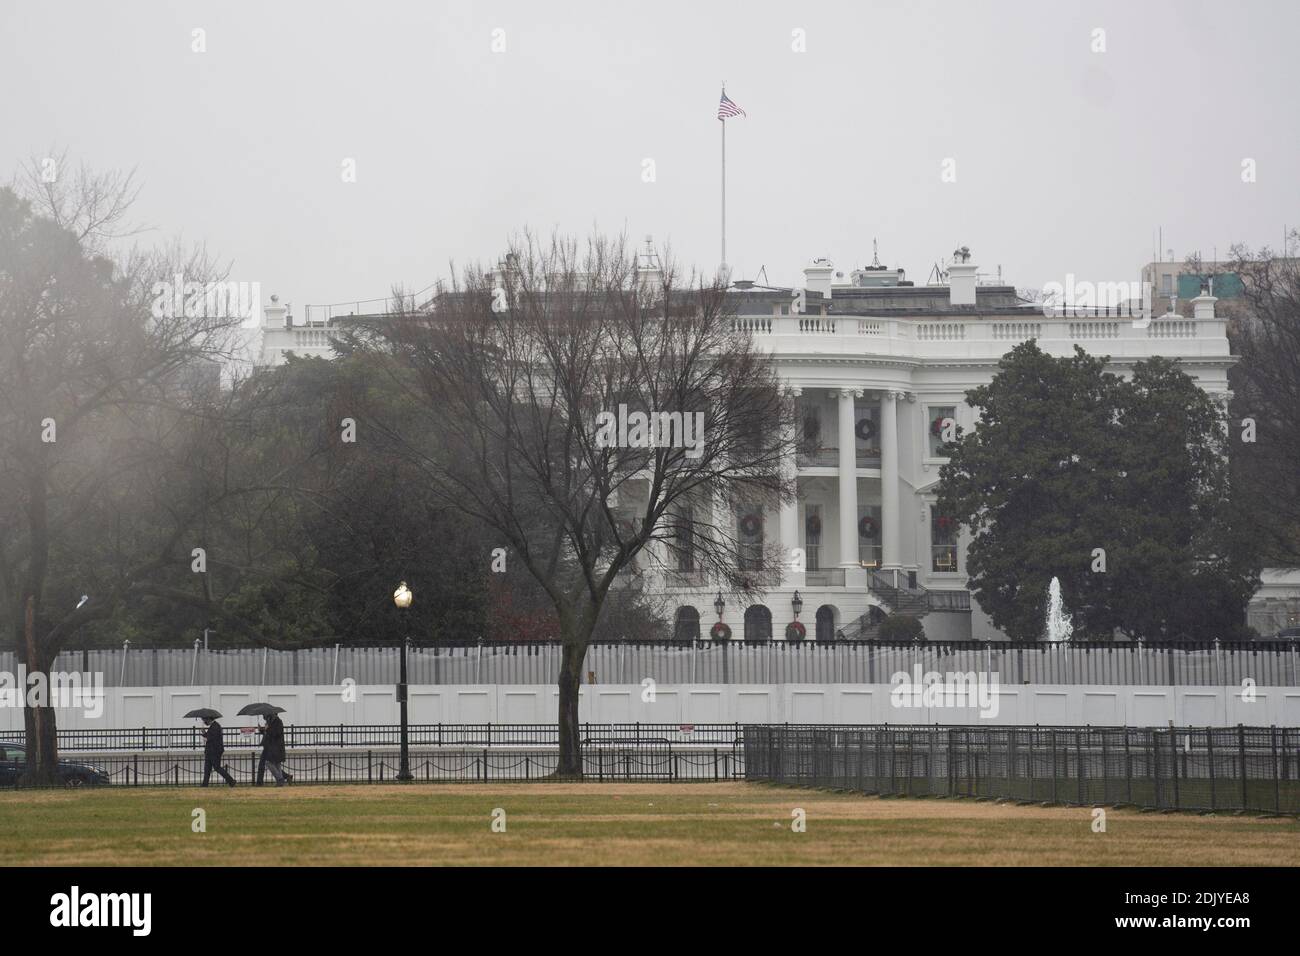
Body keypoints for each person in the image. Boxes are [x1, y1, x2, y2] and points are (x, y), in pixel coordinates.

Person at [255, 711, 292, 786]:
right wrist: (262, 730)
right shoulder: (270, 721)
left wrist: (267, 729)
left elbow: (276, 733)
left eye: (265, 714)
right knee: (276, 763)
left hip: (276, 747)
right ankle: (281, 780)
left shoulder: (278, 722)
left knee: (269, 763)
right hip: (269, 746)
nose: (264, 716)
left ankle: (280, 779)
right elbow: (268, 733)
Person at [200, 717, 236, 787]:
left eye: (204, 720)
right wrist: (204, 733)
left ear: (209, 719)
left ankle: (231, 781)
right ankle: (205, 784)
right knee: (207, 768)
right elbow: (209, 737)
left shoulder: (216, 726)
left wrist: (205, 733)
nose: (204, 722)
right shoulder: (213, 726)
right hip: (210, 751)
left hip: (214, 751)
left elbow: (211, 738)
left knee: (217, 767)